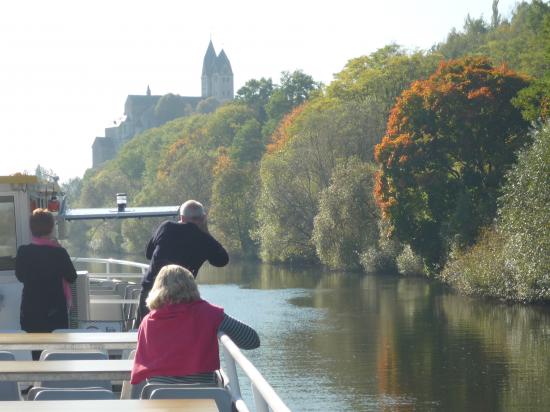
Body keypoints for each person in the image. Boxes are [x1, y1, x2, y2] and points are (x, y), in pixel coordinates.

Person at [131, 264, 259, 385]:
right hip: (203, 394)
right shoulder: (209, 313)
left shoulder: (147, 321)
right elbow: (252, 340)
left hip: (158, 396)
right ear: (192, 286)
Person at [134, 200, 229, 327]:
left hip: (151, 292)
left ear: (182, 217)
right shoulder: (204, 239)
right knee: (174, 337)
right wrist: (205, 231)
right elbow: (222, 260)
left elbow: (148, 254)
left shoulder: (166, 227)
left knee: (145, 333)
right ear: (203, 218)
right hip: (181, 298)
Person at [15, 208, 77, 360]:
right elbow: (72, 277)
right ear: (50, 228)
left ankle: (38, 381)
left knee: (35, 354)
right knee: (56, 354)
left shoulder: (23, 252)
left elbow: (20, 276)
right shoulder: (59, 253)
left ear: (32, 229)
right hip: (55, 313)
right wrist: (60, 248)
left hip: (30, 312)